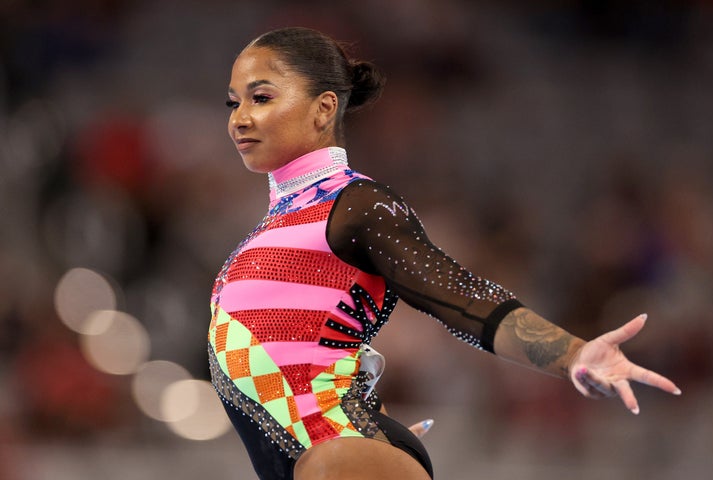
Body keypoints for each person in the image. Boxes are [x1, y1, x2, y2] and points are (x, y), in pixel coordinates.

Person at [207, 26, 681, 480]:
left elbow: (464, 298)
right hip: (335, 452)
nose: (239, 117)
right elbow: (314, 347)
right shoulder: (270, 230)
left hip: (337, 452)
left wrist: (575, 354)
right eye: (234, 102)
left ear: (324, 108)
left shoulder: (355, 206)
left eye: (261, 97)